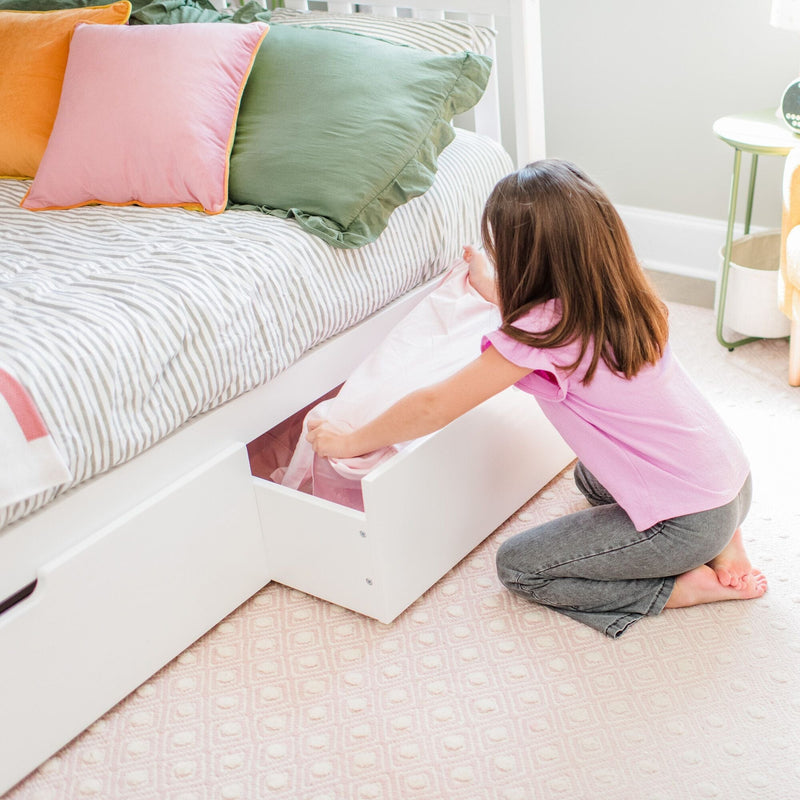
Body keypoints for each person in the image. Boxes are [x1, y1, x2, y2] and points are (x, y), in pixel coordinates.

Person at [307, 159, 767, 638]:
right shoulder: (626, 295)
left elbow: (434, 405)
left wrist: (351, 440)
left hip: (689, 522)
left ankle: (678, 588)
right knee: (593, 477)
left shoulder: (540, 337)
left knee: (522, 568)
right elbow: (549, 316)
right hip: (732, 480)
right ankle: (724, 540)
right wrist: (492, 288)